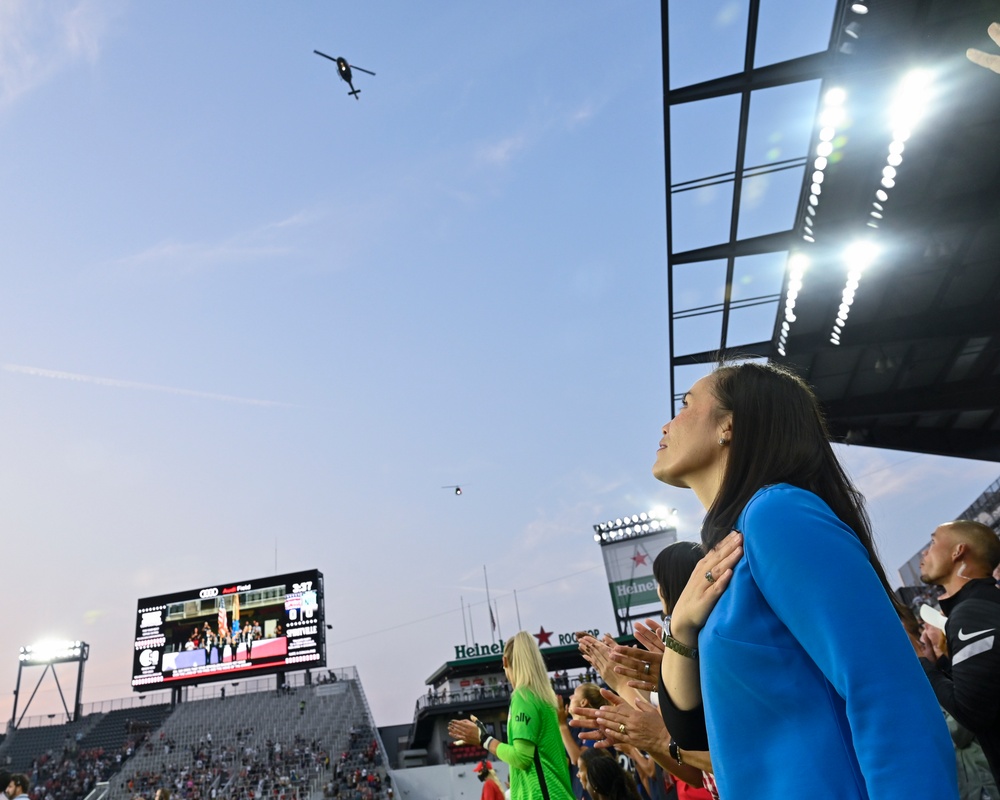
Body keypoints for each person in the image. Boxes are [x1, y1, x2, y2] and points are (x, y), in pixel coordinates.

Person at [653, 360, 956, 799]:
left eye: (685, 405)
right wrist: (681, 626)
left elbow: (889, 694)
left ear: (729, 426)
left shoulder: (777, 513)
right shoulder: (736, 547)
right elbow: (693, 733)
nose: (667, 423)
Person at [917, 519, 1000, 783]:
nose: (924, 553)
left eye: (932, 542)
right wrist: (940, 664)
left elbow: (972, 712)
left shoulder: (971, 613)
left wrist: (924, 666)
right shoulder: (983, 604)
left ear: (958, 552)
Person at [448, 630, 574, 800]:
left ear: (504, 661)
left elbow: (521, 757)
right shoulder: (544, 696)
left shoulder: (523, 697)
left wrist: (484, 739)